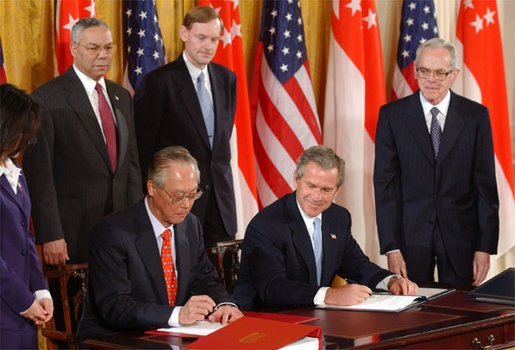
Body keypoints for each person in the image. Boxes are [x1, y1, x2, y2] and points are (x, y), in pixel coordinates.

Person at [77, 146, 242, 340]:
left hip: (170, 338)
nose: (186, 205)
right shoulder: (113, 233)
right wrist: (177, 315)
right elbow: (115, 306)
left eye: (192, 195)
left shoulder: (190, 225)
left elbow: (205, 279)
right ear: (152, 188)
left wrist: (224, 304)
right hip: (120, 339)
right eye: (178, 196)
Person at [374, 38, 499, 290]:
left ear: (454, 75)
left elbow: (485, 187)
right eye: (424, 71)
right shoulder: (392, 116)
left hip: (462, 240)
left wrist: (484, 246)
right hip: (410, 240)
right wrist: (391, 247)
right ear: (416, 71)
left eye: (440, 72)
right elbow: (385, 186)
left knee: (462, 314)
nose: (431, 79)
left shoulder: (475, 116)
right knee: (411, 318)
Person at [234, 146, 418, 310]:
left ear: (337, 191)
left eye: (326, 190)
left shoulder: (338, 217)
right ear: (296, 180)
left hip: (315, 316)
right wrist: (330, 295)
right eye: (311, 186)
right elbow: (272, 288)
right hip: (268, 319)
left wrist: (390, 281)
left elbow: (356, 265)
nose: (316, 196)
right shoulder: (266, 225)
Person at [23, 18, 142, 266]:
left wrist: (139, 221)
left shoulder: (121, 96)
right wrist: (51, 234)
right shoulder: (47, 98)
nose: (103, 55)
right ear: (75, 49)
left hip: (123, 229)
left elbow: (131, 166)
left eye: (108, 48)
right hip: (73, 234)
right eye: (93, 48)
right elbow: (40, 176)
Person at [134, 6, 237, 251]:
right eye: (201, 38)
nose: (209, 46)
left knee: (222, 278)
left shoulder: (226, 79)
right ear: (184, 33)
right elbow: (142, 149)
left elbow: (219, 145)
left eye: (214, 39)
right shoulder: (159, 82)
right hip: (175, 203)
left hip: (220, 204)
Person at [0, 84, 54, 349]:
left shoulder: (14, 169)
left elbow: (25, 237)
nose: (26, 140)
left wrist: (40, 289)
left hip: (21, 315)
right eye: (22, 131)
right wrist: (24, 300)